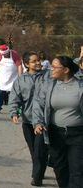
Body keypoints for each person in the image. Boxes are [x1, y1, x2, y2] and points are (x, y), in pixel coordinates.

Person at [33, 56, 83, 188]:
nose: (51, 70)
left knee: (77, 170)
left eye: (55, 67)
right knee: (60, 169)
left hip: (77, 135)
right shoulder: (50, 85)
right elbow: (38, 103)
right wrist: (38, 122)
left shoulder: (80, 87)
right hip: (55, 134)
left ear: (66, 70)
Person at [10, 52, 49, 186]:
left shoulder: (48, 76)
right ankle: (39, 170)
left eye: (39, 60)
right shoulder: (21, 80)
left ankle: (37, 177)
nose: (38, 63)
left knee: (40, 150)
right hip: (28, 120)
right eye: (34, 61)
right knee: (33, 150)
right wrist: (14, 113)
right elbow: (15, 97)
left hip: (44, 121)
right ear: (27, 64)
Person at [0, 44, 23, 113]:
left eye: (5, 54)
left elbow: (19, 66)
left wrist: (20, 77)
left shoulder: (14, 54)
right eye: (3, 54)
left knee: (15, 93)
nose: (4, 55)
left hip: (13, 77)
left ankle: (17, 108)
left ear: (8, 51)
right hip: (2, 76)